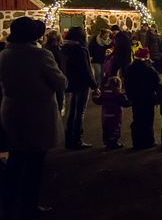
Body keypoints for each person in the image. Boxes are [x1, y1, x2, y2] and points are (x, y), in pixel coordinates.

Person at [0, 17, 67, 218]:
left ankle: (9, 201)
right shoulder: (40, 55)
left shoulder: (4, 55)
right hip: (37, 113)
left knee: (16, 158)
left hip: (12, 110)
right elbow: (60, 82)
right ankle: (29, 204)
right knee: (35, 162)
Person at [60, 26, 98, 150]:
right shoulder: (81, 49)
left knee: (72, 112)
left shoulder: (64, 48)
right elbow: (86, 70)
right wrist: (94, 86)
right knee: (79, 111)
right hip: (81, 83)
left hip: (70, 83)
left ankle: (69, 139)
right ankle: (77, 139)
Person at [124, 48, 160, 149]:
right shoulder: (149, 70)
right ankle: (148, 141)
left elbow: (127, 83)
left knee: (137, 119)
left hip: (136, 98)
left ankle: (137, 142)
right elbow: (156, 82)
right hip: (148, 98)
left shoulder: (130, 69)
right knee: (148, 119)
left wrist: (130, 95)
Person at [91, 75, 131, 149]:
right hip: (115, 115)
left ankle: (107, 141)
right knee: (115, 128)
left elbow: (98, 100)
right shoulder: (118, 94)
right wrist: (131, 101)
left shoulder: (104, 94)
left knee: (106, 128)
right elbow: (125, 103)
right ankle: (114, 142)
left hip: (105, 115)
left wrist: (94, 96)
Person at [43, 30, 65, 112]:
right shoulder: (57, 50)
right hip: (57, 76)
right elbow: (60, 64)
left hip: (47, 79)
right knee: (58, 101)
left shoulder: (45, 48)